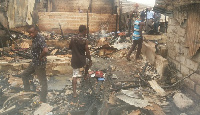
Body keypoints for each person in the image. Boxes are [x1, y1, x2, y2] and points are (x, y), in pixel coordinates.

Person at [20, 25, 48, 103]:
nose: (30, 34)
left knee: (43, 82)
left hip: (39, 64)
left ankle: (43, 100)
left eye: (32, 32)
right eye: (29, 33)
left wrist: (40, 57)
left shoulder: (40, 38)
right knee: (24, 74)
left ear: (36, 31)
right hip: (34, 62)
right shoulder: (34, 38)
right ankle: (27, 93)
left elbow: (45, 50)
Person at [69, 25, 92, 98]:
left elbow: (70, 47)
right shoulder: (85, 40)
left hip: (75, 60)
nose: (86, 32)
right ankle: (85, 75)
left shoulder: (72, 38)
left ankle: (74, 93)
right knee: (88, 62)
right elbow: (87, 52)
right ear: (84, 31)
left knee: (74, 75)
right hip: (82, 60)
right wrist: (90, 59)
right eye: (86, 31)